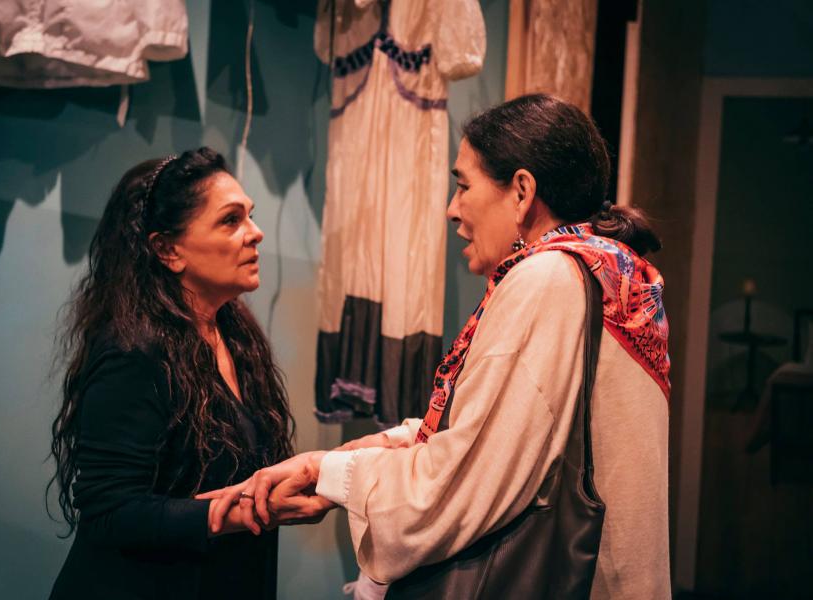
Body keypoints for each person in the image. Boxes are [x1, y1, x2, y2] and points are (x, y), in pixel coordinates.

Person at [214, 94, 672, 599]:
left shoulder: (547, 278)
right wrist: (360, 452)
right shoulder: (608, 269)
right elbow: (504, 434)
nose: (452, 210)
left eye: (463, 185)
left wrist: (332, 472)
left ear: (522, 192)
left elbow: (458, 484)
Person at [47, 148, 318, 599]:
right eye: (230, 221)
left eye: (250, 216)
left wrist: (332, 464)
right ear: (168, 250)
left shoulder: (233, 333)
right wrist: (240, 513)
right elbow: (109, 512)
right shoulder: (134, 352)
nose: (256, 233)